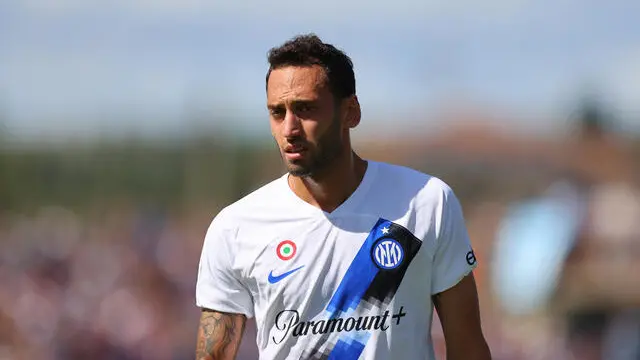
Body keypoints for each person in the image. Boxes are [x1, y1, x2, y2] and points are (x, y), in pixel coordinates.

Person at [195, 34, 492, 360]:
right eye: (277, 113)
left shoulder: (427, 203)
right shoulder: (236, 227)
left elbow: (467, 346)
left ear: (350, 112)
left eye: (305, 109)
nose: (289, 128)